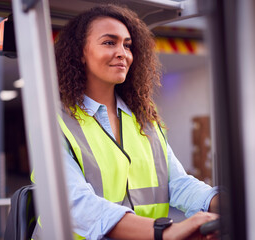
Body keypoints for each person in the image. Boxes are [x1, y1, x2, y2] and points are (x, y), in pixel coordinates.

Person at [54, 4, 219, 240]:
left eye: (127, 45)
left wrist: (221, 202)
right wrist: (165, 232)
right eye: (109, 42)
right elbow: (76, 204)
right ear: (80, 52)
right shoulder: (55, 122)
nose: (122, 52)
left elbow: (178, 183)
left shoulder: (145, 120)